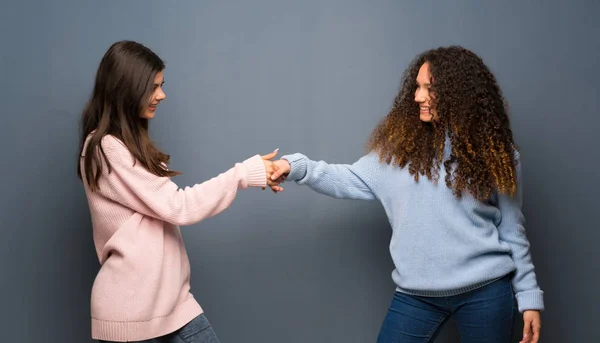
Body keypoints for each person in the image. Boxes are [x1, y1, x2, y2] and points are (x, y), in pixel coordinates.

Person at [270, 46, 543, 343]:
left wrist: (529, 297)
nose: (417, 97)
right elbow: (348, 178)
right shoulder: (398, 152)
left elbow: (512, 228)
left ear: (458, 94)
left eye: (430, 88)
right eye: (417, 87)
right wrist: (294, 166)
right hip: (416, 296)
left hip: (486, 292)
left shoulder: (496, 154)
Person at [77, 40, 282, 342]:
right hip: (131, 314)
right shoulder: (106, 147)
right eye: (153, 87)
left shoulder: (126, 145)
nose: (162, 95)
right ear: (127, 88)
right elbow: (177, 206)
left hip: (172, 303)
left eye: (161, 85)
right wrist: (243, 174)